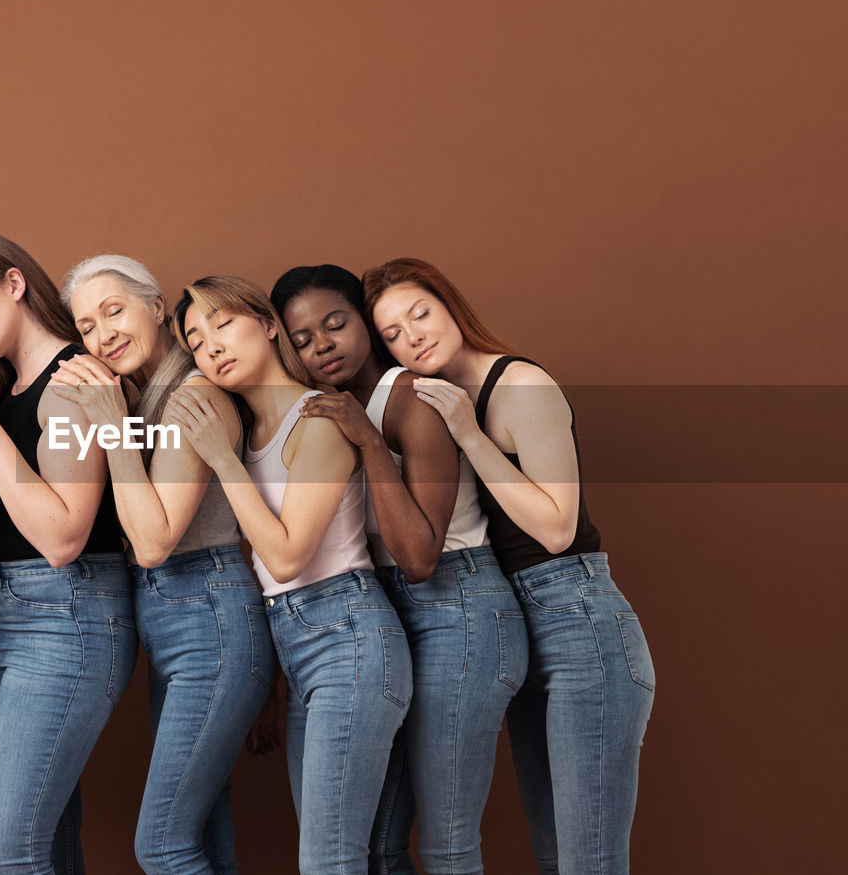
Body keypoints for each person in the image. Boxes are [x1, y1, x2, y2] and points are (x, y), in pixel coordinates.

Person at [362, 257, 655, 875]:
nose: (413, 335)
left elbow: (557, 527)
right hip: (515, 621)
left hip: (579, 620)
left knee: (589, 859)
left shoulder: (518, 384)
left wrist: (470, 433)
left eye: (421, 313)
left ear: (451, 307)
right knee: (552, 853)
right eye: (392, 332)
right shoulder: (426, 400)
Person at [272, 264, 527, 874]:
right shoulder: (320, 409)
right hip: (385, 621)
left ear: (364, 320)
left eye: (335, 324)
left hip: (460, 611)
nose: (322, 345)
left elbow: (418, 557)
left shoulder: (412, 399)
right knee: (380, 845)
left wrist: (367, 443)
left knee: (446, 842)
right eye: (303, 339)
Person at [168, 275, 410, 874]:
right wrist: (272, 692)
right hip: (300, 644)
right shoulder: (250, 434)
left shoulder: (318, 420)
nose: (212, 347)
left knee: (331, 859)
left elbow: (285, 557)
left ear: (269, 325)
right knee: (345, 855)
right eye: (196, 341)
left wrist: (221, 459)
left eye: (223, 324)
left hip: (349, 637)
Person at [52, 255, 276, 874]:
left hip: (208, 612)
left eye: (114, 310)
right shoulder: (143, 396)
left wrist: (113, 428)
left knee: (165, 844)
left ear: (157, 309)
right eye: (88, 326)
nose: (103, 334)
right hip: (178, 622)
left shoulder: (193, 396)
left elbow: (153, 543)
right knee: (203, 828)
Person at [0, 233, 138, 875]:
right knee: (45, 841)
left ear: (13, 284)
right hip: (3, 624)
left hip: (65, 622)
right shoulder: (5, 385)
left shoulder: (74, 382)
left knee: (8, 846)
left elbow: (63, 535)